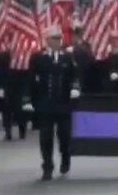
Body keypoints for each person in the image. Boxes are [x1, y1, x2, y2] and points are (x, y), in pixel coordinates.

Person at [27, 26, 82, 180]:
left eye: (59, 38)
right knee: (46, 137)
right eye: (54, 38)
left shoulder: (67, 57)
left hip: (63, 103)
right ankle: (47, 165)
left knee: (64, 135)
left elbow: (75, 76)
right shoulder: (38, 57)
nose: (57, 41)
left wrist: (75, 88)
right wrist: (28, 100)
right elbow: (31, 79)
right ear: (47, 40)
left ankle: (65, 157)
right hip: (45, 103)